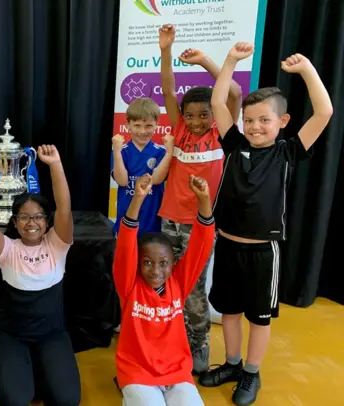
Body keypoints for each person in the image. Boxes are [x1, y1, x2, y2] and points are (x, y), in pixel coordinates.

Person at [200, 42, 333, 405]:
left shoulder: (288, 151)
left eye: (264, 119)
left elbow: (324, 111)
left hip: (263, 253)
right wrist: (230, 61)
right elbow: (217, 103)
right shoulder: (234, 144)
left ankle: (251, 374)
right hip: (226, 244)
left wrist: (306, 70)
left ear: (283, 122)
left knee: (259, 319)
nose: (255, 126)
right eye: (250, 119)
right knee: (228, 311)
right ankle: (232, 364)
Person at [0, 145, 81, 405]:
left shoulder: (58, 244)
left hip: (50, 334)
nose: (31, 223)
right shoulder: (7, 248)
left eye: (38, 217)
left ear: (47, 222)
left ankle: (41, 369)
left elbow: (64, 208)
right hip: (10, 335)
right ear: (15, 222)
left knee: (67, 400)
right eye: (24, 218)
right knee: (15, 400)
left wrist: (55, 164)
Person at [156, 23, 244, 374]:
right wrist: (166, 51)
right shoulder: (179, 128)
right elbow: (167, 90)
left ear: (214, 116)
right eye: (189, 115)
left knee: (193, 289)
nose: (194, 122)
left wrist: (208, 61)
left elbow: (234, 94)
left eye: (202, 115)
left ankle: (199, 342)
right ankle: (167, 337)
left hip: (201, 226)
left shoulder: (222, 133)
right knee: (166, 282)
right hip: (169, 219)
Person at [114, 173, 215, 406]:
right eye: (147, 262)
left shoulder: (178, 282)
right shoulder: (129, 285)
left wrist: (204, 201)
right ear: (138, 263)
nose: (156, 271)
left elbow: (201, 245)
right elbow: (126, 244)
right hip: (137, 371)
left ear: (173, 263)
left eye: (163, 263)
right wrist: (138, 198)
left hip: (176, 371)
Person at [111, 97, 173, 238]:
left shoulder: (161, 152)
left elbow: (156, 180)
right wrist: (116, 152)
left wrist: (170, 153)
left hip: (153, 225)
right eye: (137, 125)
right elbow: (122, 181)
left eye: (148, 126)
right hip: (125, 223)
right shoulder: (121, 152)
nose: (142, 131)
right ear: (128, 124)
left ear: (157, 124)